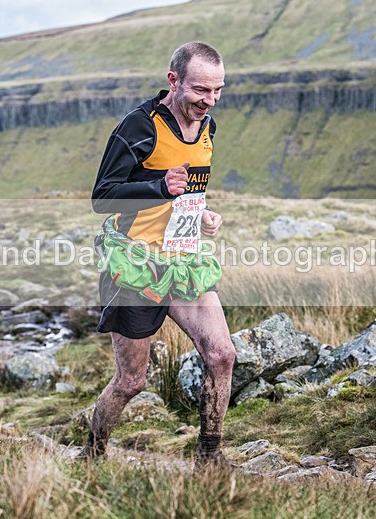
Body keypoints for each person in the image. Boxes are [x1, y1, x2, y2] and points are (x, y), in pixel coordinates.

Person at [88, 42, 235, 467]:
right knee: (131, 382)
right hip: (134, 266)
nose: (209, 101)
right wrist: (157, 188)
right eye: (200, 90)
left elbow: (188, 192)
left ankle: (210, 459)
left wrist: (202, 217)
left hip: (183, 261)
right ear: (173, 81)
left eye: (218, 90)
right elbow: (102, 198)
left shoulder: (208, 127)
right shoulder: (139, 127)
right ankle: (93, 453)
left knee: (222, 354)